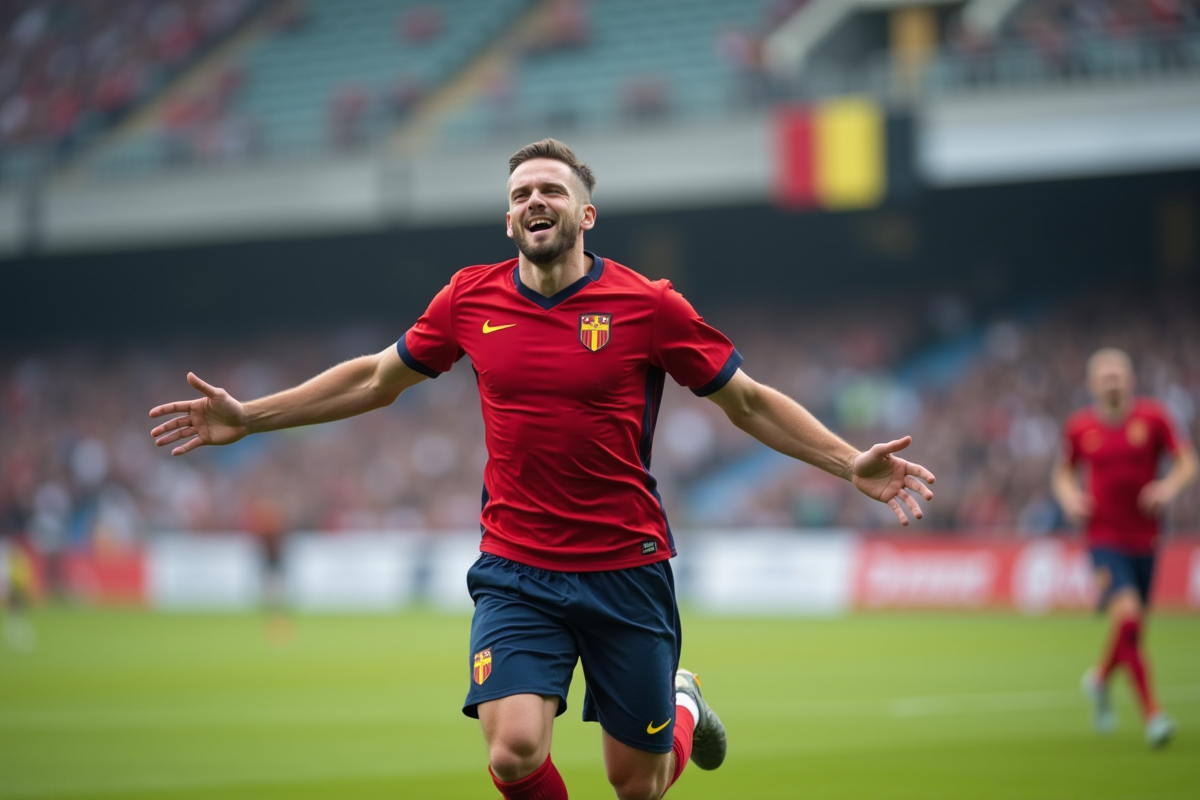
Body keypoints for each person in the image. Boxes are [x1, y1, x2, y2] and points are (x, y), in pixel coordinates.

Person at [150, 138, 936, 800]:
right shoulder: (468, 298)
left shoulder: (647, 305)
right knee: (513, 752)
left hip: (626, 567)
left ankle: (682, 701)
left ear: (583, 214)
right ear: (508, 218)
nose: (535, 199)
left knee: (639, 784)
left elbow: (750, 403)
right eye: (522, 191)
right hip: (517, 567)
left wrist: (845, 462)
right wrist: (251, 416)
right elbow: (372, 380)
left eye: (551, 189)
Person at [1053, 347, 1197, 749]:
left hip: (1146, 537)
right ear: (1092, 384)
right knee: (1131, 621)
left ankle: (1099, 681)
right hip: (1102, 538)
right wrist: (1070, 499)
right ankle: (1154, 715)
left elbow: (1187, 462)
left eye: (1118, 375)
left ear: (1131, 380)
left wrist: (1167, 487)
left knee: (1130, 628)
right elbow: (1063, 473)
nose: (1112, 381)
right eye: (1105, 376)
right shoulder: (1080, 427)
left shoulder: (1154, 418)